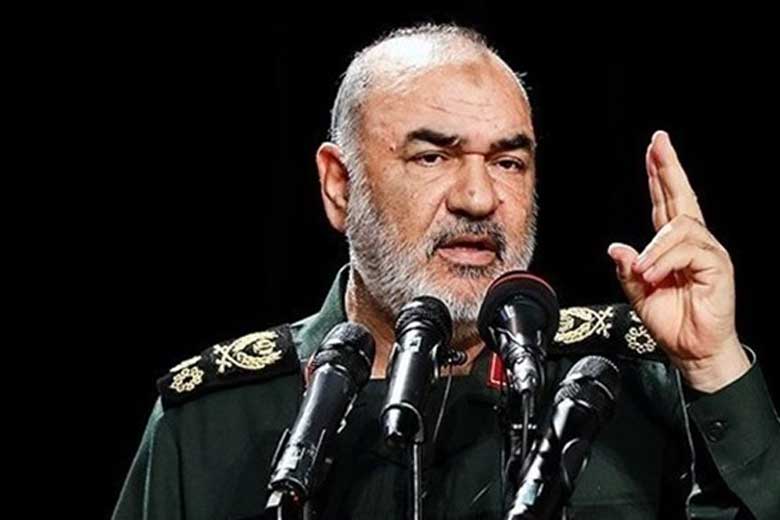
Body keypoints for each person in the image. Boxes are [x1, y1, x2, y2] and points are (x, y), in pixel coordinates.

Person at [113, 24, 779, 519]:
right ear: (339, 186)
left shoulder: (630, 382)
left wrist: (712, 364)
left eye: (508, 162)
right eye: (432, 157)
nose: (479, 198)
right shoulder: (209, 423)